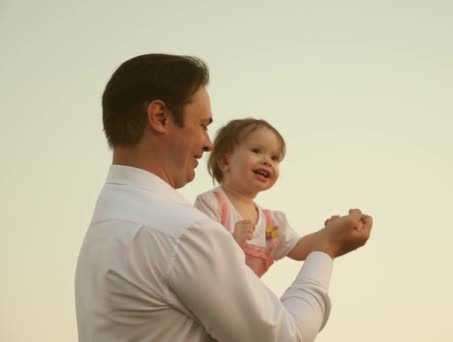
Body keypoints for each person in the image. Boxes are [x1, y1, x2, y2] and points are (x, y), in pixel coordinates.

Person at [74, 53, 373, 342]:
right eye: (203, 124)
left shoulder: (109, 222)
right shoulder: (183, 231)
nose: (208, 143)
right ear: (160, 116)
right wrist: (326, 250)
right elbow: (285, 336)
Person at [195, 118, 338, 277]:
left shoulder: (272, 224)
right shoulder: (212, 204)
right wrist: (233, 241)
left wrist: (330, 233)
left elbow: (299, 248)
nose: (267, 161)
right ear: (225, 161)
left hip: (244, 300)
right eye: (256, 151)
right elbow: (199, 256)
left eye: (275, 158)